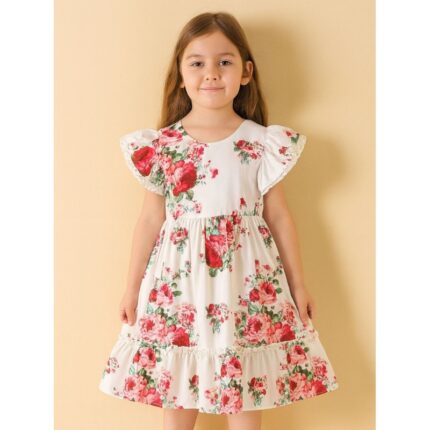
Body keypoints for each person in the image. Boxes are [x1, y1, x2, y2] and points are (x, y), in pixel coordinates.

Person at [99, 11, 339, 430]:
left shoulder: (261, 143)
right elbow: (150, 219)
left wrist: (298, 285)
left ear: (245, 72)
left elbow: (278, 216)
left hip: (244, 281)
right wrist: (131, 287)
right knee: (178, 377)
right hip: (180, 279)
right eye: (197, 63)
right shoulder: (163, 146)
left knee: (241, 374)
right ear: (180, 75)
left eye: (224, 62)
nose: (211, 73)